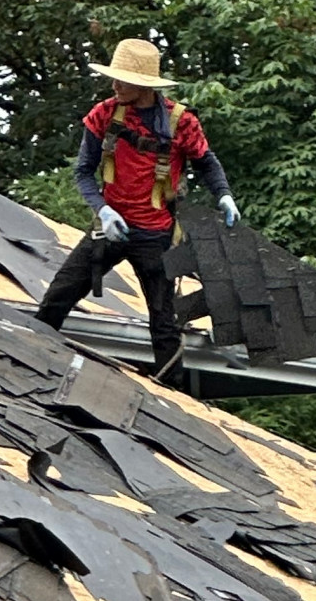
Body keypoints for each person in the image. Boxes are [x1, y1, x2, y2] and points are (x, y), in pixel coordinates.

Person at [33, 36, 239, 380]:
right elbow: (83, 172)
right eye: (114, 78)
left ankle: (172, 394)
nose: (115, 86)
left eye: (122, 80)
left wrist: (224, 194)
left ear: (143, 86)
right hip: (111, 227)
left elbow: (207, 162)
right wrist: (103, 210)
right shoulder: (104, 114)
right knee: (59, 295)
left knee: (164, 322)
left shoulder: (180, 122)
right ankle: (31, 357)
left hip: (155, 234)